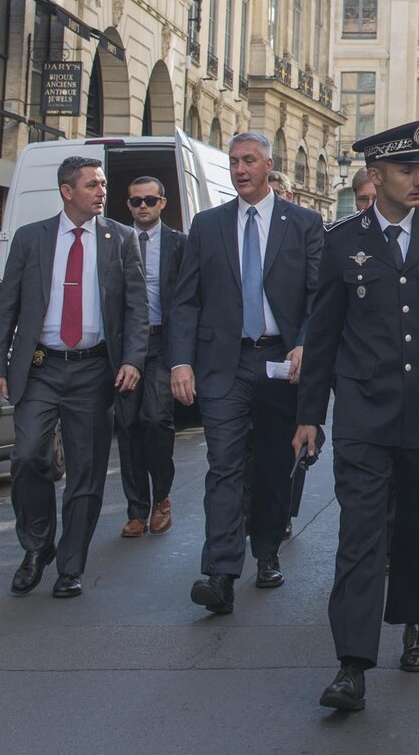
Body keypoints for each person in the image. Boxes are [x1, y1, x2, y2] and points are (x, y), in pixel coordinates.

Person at [292, 121, 419, 712]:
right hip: (363, 411)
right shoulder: (340, 241)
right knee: (359, 533)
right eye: (407, 171)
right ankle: (352, 662)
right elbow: (322, 334)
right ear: (375, 179)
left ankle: (413, 621)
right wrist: (310, 416)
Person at [167, 132, 325, 615]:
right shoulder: (208, 225)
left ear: (268, 165)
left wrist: (304, 343)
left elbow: (320, 296)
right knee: (224, 466)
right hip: (225, 365)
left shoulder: (303, 224)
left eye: (249, 160)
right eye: (234, 161)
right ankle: (219, 572)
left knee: (274, 466)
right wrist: (180, 361)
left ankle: (267, 552)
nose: (239, 169)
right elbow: (186, 299)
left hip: (280, 362)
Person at [0, 156, 147, 598]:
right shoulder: (30, 239)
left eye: (103, 184)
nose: (101, 191)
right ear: (66, 191)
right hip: (41, 367)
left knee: (86, 473)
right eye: (92, 184)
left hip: (95, 371)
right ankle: (37, 546)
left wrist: (133, 359)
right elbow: (7, 309)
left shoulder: (122, 239)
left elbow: (137, 308)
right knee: (27, 457)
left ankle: (71, 564)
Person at [116, 176, 186, 538]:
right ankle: (136, 509)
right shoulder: (114, 241)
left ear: (163, 203)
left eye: (149, 200)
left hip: (162, 343)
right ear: (128, 205)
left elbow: (190, 299)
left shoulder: (179, 244)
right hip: (126, 346)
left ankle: (162, 498)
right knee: (128, 426)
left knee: (156, 419)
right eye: (135, 201)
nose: (142, 206)